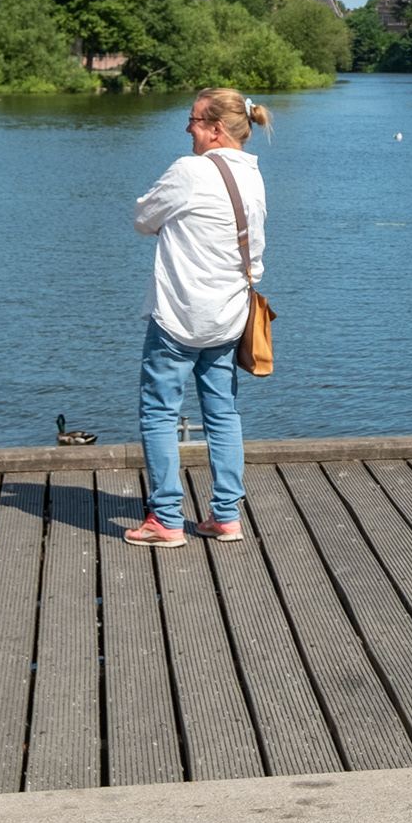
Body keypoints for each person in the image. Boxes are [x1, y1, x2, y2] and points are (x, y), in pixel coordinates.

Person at [124, 88, 271, 547]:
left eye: (192, 120)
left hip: (179, 317)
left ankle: (166, 520)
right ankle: (225, 516)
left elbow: (143, 218)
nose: (187, 127)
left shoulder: (190, 171)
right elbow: (257, 254)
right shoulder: (254, 177)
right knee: (223, 413)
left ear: (215, 129)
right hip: (229, 316)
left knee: (159, 414)